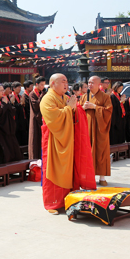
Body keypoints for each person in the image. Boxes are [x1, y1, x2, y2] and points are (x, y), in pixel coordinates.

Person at [40, 74, 95, 213]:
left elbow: (74, 113)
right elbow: (53, 118)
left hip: (67, 139)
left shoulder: (65, 97)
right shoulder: (47, 99)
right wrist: (69, 108)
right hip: (54, 140)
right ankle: (52, 203)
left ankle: (68, 199)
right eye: (62, 82)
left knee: (68, 170)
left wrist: (75, 108)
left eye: (67, 81)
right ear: (52, 83)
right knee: (53, 170)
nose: (66, 84)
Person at [80, 76, 113, 186]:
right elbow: (76, 110)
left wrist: (95, 107)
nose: (90, 85)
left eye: (92, 82)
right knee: (87, 151)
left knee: (100, 151)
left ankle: (102, 177)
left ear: (99, 84)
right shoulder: (84, 97)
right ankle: (88, 176)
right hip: (87, 128)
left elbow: (108, 111)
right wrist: (82, 108)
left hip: (100, 129)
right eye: (88, 82)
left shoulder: (105, 97)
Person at [0, 82, 23, 163]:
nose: (3, 92)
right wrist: (5, 104)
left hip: (8, 128)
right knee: (4, 150)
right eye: (1, 90)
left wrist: (9, 103)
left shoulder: (2, 100)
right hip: (0, 129)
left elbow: (12, 111)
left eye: (3, 90)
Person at [28, 76, 46, 160]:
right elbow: (36, 106)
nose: (43, 87)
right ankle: (34, 159)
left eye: (44, 85)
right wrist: (42, 96)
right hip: (35, 118)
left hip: (41, 118)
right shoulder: (32, 94)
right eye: (41, 85)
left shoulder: (41, 92)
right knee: (35, 139)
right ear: (37, 84)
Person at [10, 81, 28, 146]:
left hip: (22, 118)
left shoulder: (20, 96)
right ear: (14, 88)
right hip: (16, 119)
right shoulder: (11, 96)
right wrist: (21, 104)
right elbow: (13, 107)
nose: (20, 89)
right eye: (18, 87)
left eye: (20, 87)